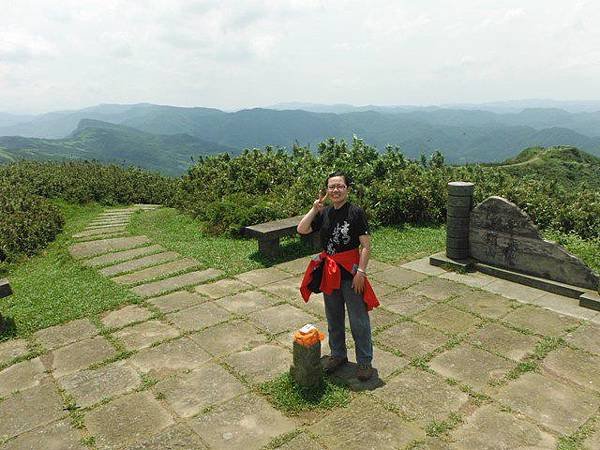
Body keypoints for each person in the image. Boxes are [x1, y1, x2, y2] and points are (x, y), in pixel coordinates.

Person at [298, 171, 379, 381]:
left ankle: (364, 362)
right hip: (330, 273)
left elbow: (366, 246)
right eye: (331, 187)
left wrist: (361, 272)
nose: (335, 190)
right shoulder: (324, 213)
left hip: (351, 273)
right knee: (333, 317)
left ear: (347, 189)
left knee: (358, 319)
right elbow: (302, 228)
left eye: (339, 186)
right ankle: (338, 355)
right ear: (327, 191)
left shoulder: (355, 212)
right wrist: (314, 209)